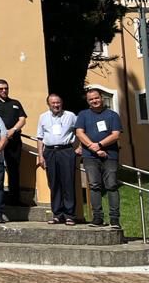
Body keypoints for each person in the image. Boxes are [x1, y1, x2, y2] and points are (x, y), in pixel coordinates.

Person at [75, 88, 123, 229]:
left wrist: (100, 145)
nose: (94, 101)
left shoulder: (112, 115)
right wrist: (92, 147)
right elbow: (79, 133)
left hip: (110, 155)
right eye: (91, 99)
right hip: (90, 156)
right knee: (94, 186)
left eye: (96, 98)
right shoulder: (83, 115)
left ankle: (114, 219)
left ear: (101, 98)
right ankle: (97, 218)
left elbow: (116, 135)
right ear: (88, 101)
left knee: (112, 186)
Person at [36, 94, 78, 226]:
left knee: (68, 182)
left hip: (66, 151)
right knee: (54, 183)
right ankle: (57, 214)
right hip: (49, 152)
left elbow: (81, 131)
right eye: (53, 103)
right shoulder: (43, 117)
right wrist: (40, 155)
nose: (56, 105)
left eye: (58, 102)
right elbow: (40, 137)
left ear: (62, 103)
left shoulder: (71, 116)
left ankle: (69, 215)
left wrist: (80, 147)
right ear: (48, 104)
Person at [0, 79, 28, 206]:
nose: (4, 91)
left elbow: (22, 119)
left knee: (14, 169)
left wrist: (13, 130)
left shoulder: (15, 103)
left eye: (6, 88)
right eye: (1, 89)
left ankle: (15, 198)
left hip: (14, 141)